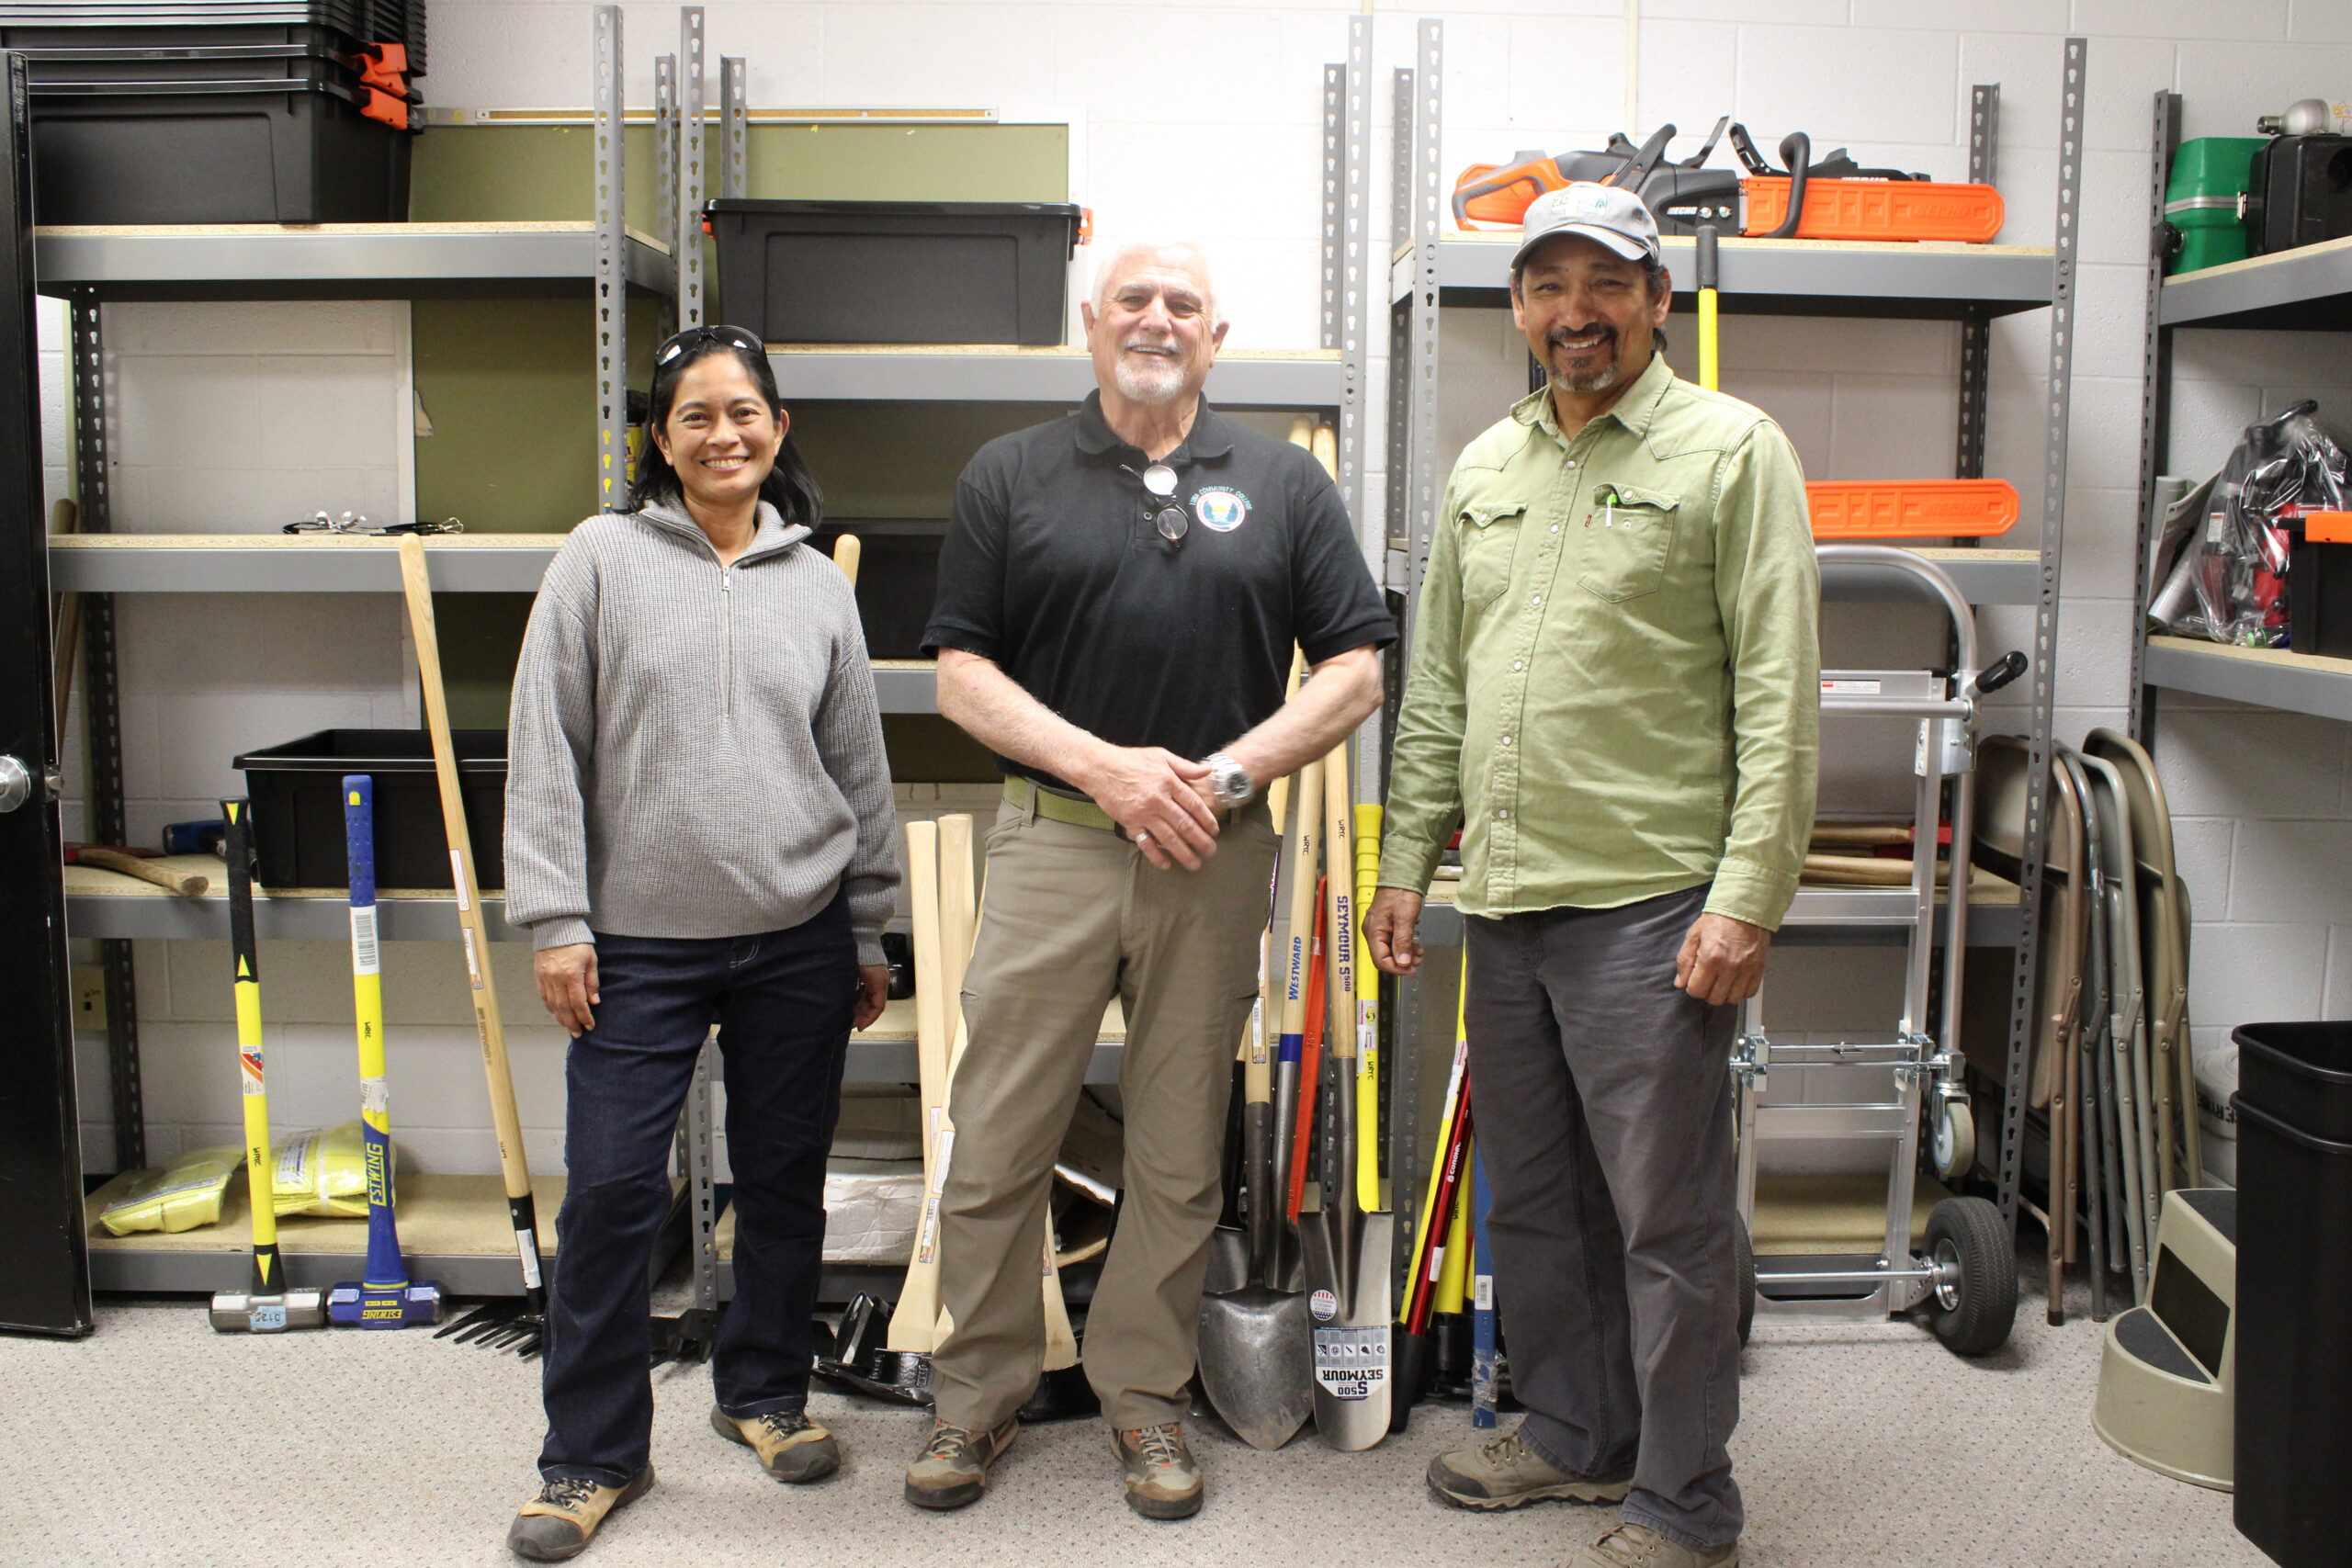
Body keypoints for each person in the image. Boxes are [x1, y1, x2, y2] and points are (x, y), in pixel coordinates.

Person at [1366, 183, 1819, 1568]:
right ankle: (1575, 1434)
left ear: (1656, 299)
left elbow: (1780, 695)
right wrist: (1402, 860)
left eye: (1605, 285)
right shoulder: (1485, 466)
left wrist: (1749, 896)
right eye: (1548, 286)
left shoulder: (1731, 452)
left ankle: (1687, 1502)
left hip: (1654, 904)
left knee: (1668, 1223)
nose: (1576, 314)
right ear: (1518, 307)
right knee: (1536, 1198)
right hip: (1502, 899)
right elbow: (1436, 683)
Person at [905, 240, 1393, 1520]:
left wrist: (1224, 779)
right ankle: (977, 1393)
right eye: (1134, 298)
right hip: (1055, 839)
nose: (1158, 319)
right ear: (1092, 322)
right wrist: (1109, 772)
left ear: (1217, 336)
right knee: (1000, 1130)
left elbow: (1355, 668)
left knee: (1179, 1150)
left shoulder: (1284, 483)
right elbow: (961, 673)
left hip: (1214, 858)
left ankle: (1144, 1397)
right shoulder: (1010, 475)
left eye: (1185, 304)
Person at [500, 323, 899, 1562]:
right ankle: (591, 1457)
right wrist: (556, 920)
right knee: (616, 1193)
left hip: (798, 935)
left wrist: (870, 926)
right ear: (660, 442)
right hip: (637, 946)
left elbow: (859, 771)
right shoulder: (599, 562)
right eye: (695, 417)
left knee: (781, 1183)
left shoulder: (818, 584)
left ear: (777, 428)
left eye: (745, 412)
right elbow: (544, 751)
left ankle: (764, 1395)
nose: (724, 435)